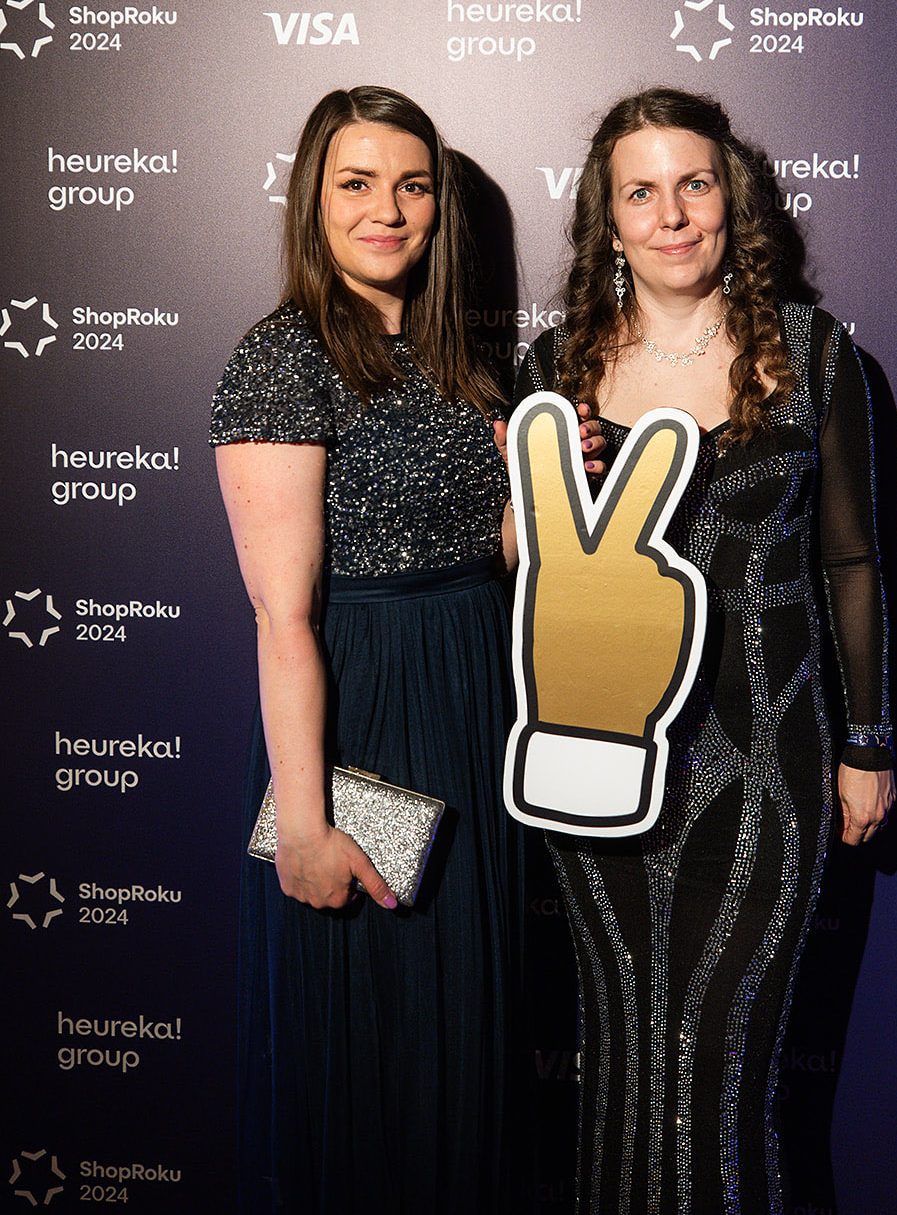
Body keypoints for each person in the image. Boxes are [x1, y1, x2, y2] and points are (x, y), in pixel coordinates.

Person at [210, 85, 601, 1214]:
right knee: (370, 1046)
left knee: (462, 1042)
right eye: (356, 183)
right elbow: (281, 616)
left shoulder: (459, 358)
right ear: (312, 199)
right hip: (366, 710)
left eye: (412, 186)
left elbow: (499, 551)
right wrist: (304, 826)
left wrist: (549, 482)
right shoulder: (281, 358)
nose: (387, 210)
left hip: (474, 700)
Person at [514, 87, 895, 1215]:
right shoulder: (556, 367)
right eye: (641, 193)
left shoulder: (812, 352)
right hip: (602, 750)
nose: (672, 215)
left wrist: (867, 742)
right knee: (619, 1065)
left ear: (732, 199)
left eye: (694, 184)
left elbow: (851, 562)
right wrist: (537, 497)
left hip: (769, 756)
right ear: (609, 220)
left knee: (726, 1077)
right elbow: (525, 566)